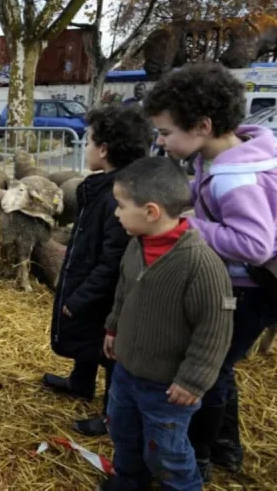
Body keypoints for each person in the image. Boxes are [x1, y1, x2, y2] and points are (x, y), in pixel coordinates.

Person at [144, 62, 277, 481]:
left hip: (255, 286)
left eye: (166, 133)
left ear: (202, 125)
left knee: (210, 369)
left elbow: (255, 244)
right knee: (221, 366)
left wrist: (186, 227)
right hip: (244, 283)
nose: (161, 142)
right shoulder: (223, 159)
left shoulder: (235, 178)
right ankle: (226, 448)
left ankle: (199, 455)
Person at [99, 157, 235, 491]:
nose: (116, 213)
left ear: (151, 211)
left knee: (167, 452)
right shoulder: (135, 246)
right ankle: (129, 481)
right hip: (127, 372)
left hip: (167, 388)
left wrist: (193, 381)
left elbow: (215, 327)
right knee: (123, 434)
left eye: (120, 206)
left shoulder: (200, 264)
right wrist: (113, 327)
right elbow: (124, 290)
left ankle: (183, 486)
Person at [42, 105, 152, 437]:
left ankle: (111, 415)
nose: (85, 146)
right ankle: (80, 382)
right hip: (91, 279)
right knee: (90, 337)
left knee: (110, 349)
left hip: (106, 292)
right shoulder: (104, 188)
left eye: (88, 140)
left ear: (103, 149)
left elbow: (112, 260)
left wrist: (79, 297)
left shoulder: (119, 198)